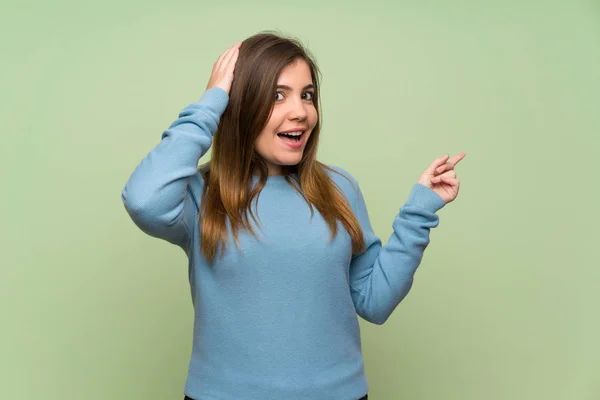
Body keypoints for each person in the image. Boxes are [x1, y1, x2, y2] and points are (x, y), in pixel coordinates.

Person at [121, 32, 465, 400]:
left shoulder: (339, 189)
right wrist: (210, 104)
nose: (300, 112)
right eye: (277, 96)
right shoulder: (201, 194)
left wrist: (419, 212)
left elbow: (374, 301)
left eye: (307, 95)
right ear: (240, 105)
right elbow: (144, 199)